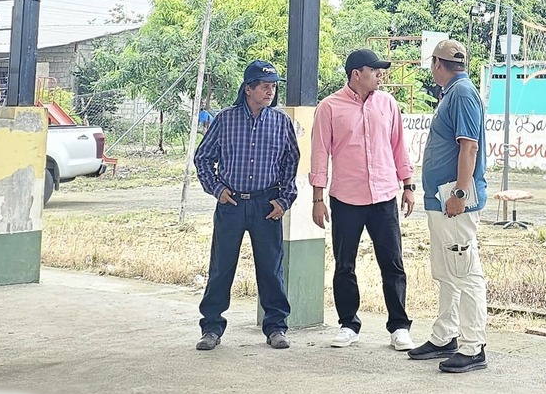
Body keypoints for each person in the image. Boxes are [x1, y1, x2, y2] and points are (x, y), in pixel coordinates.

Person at [310, 47, 416, 350]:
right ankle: (348, 324)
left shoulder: (387, 103)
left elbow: (399, 146)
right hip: (346, 199)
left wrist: (408, 185)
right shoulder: (329, 107)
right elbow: (320, 153)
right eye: (375, 71)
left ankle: (399, 326)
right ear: (357, 74)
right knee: (345, 265)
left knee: (392, 263)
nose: (380, 76)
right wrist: (317, 199)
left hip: (384, 196)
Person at [193, 60, 298, 351]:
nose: (270, 92)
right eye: (264, 86)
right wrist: (217, 189)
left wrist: (284, 200)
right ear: (248, 88)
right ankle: (211, 328)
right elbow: (203, 158)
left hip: (267, 205)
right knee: (221, 267)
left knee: (271, 269)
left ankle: (276, 327)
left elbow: (291, 163)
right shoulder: (225, 120)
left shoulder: (281, 122)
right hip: (232, 203)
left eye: (273, 86)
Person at [408, 38, 488, 374]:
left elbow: (469, 148)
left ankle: (473, 347)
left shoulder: (463, 93)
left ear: (437, 64)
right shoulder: (454, 92)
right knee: (446, 272)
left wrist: (459, 194)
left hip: (454, 200)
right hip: (443, 199)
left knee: (465, 273)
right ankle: (445, 336)